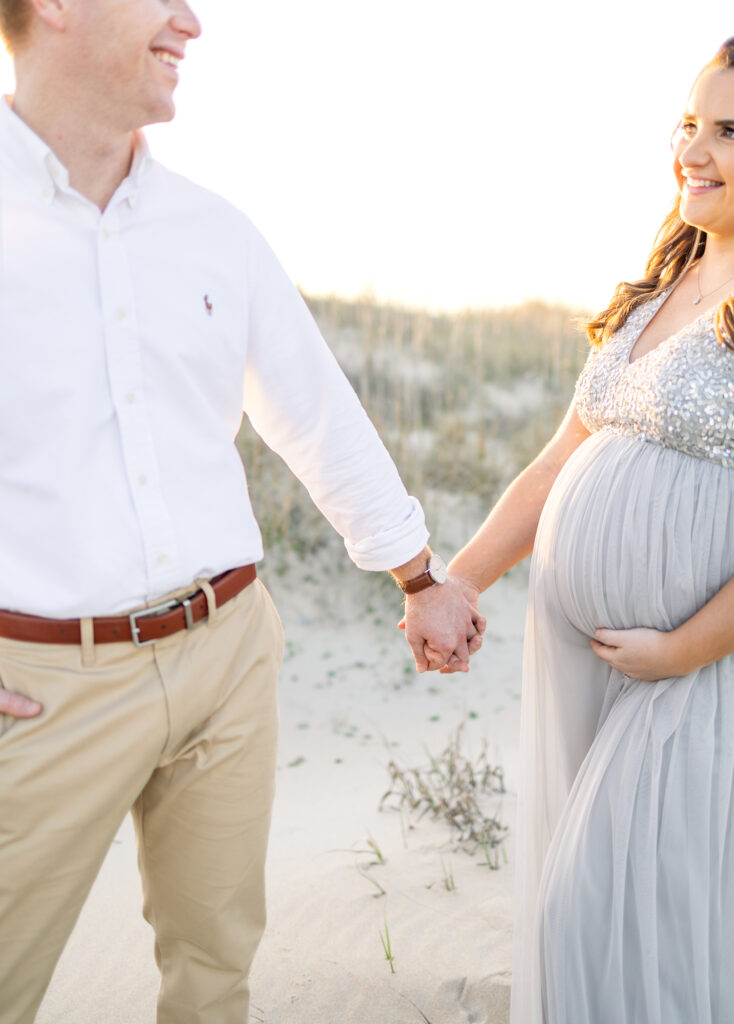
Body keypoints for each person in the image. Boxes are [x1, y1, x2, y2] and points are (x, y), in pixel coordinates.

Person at [0, 2, 486, 1022]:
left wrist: (418, 576)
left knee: (216, 971)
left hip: (227, 653)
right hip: (38, 687)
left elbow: (313, 413)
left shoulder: (214, 232)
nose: (192, 22)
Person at [408, 38, 734, 1023]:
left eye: (726, 130)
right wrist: (457, 580)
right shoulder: (652, 292)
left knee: (598, 908)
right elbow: (554, 465)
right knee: (633, 919)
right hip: (591, 659)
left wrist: (677, 649)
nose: (693, 148)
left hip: (692, 671)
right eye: (689, 122)